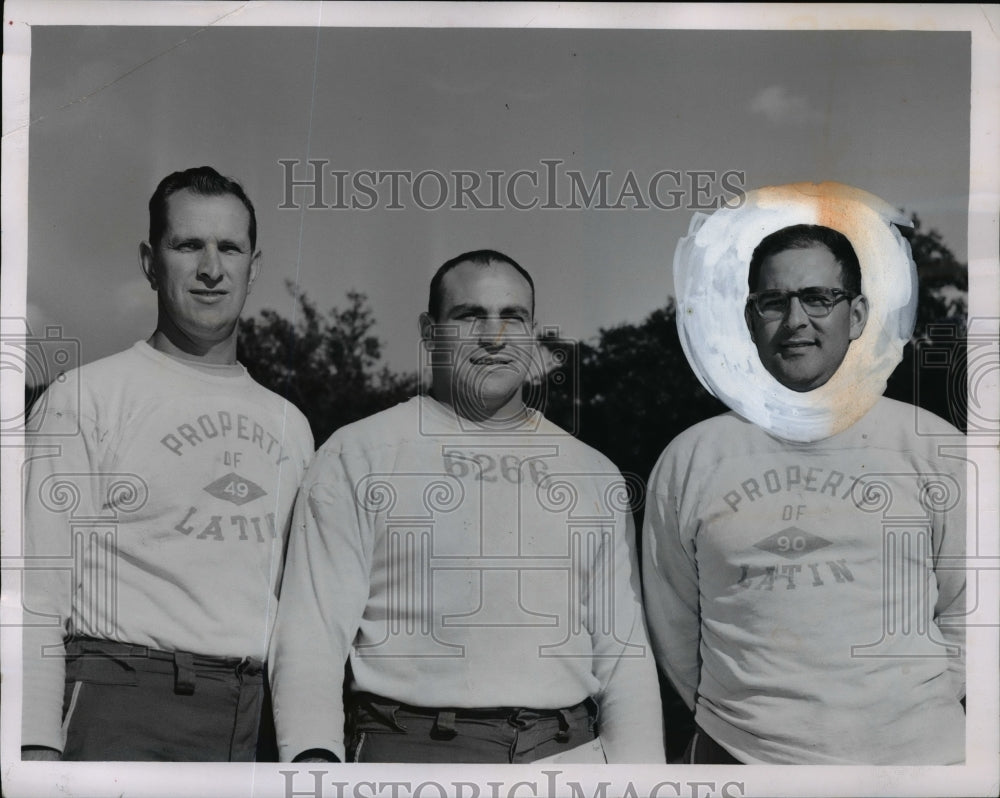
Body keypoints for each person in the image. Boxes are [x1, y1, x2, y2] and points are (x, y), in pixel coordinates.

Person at [269, 249, 664, 764]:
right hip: (415, 751)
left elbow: (623, 656)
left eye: (512, 318)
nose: (494, 338)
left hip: (569, 755)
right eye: (470, 316)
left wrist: (643, 779)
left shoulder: (592, 473)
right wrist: (313, 767)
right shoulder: (357, 454)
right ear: (430, 332)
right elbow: (311, 635)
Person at [643, 223, 966, 764]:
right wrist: (754, 730)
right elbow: (674, 628)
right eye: (773, 301)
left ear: (857, 314)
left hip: (917, 765)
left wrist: (905, 720)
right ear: (751, 319)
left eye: (818, 298)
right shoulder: (692, 458)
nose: (795, 321)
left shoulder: (934, 447)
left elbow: (973, 615)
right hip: (740, 759)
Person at [20, 166, 314, 761]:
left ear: (253, 267)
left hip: (250, 722)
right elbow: (32, 593)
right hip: (121, 705)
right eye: (188, 245)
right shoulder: (86, 398)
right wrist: (34, 744)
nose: (211, 269)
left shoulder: (292, 425)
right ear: (149, 261)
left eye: (229, 247)